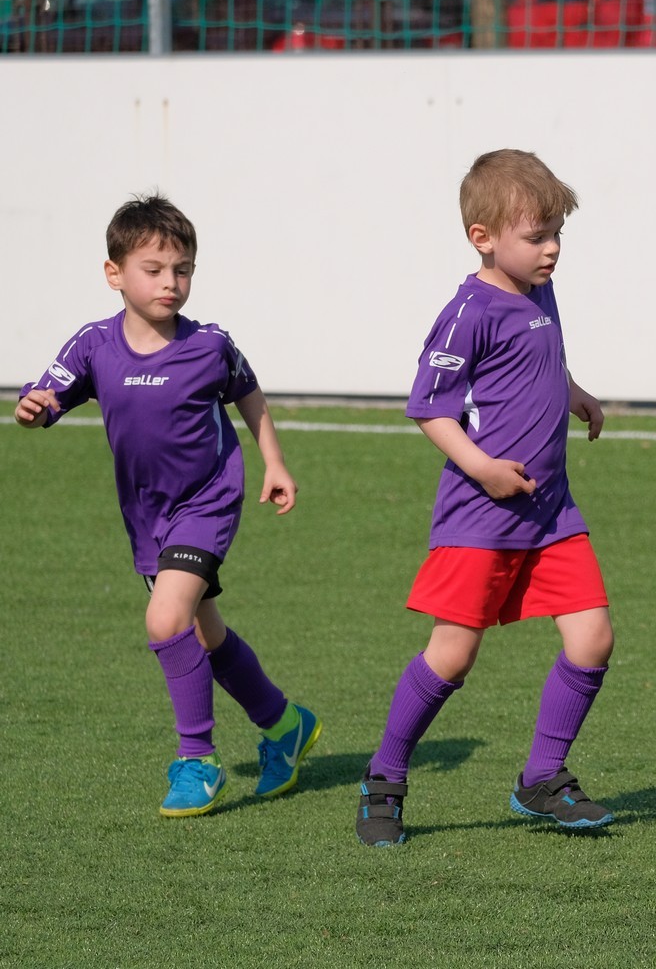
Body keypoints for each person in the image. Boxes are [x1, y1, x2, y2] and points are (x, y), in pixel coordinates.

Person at [13, 194, 320, 818]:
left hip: (208, 501)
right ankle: (285, 725)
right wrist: (33, 409)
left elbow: (248, 392)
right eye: (153, 270)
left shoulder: (209, 344)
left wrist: (275, 462)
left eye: (182, 270)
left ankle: (197, 761)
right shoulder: (94, 344)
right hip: (147, 515)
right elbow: (47, 396)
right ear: (114, 273)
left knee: (163, 619)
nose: (170, 283)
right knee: (203, 634)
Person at [356, 149, 615, 848]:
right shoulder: (466, 312)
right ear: (484, 237)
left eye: (557, 233)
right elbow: (430, 406)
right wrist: (483, 468)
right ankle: (384, 778)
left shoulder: (539, 290)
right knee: (451, 656)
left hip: (552, 511)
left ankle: (542, 777)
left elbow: (537, 364)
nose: (551, 249)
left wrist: (575, 393)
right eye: (537, 236)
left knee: (593, 637)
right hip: (482, 516)